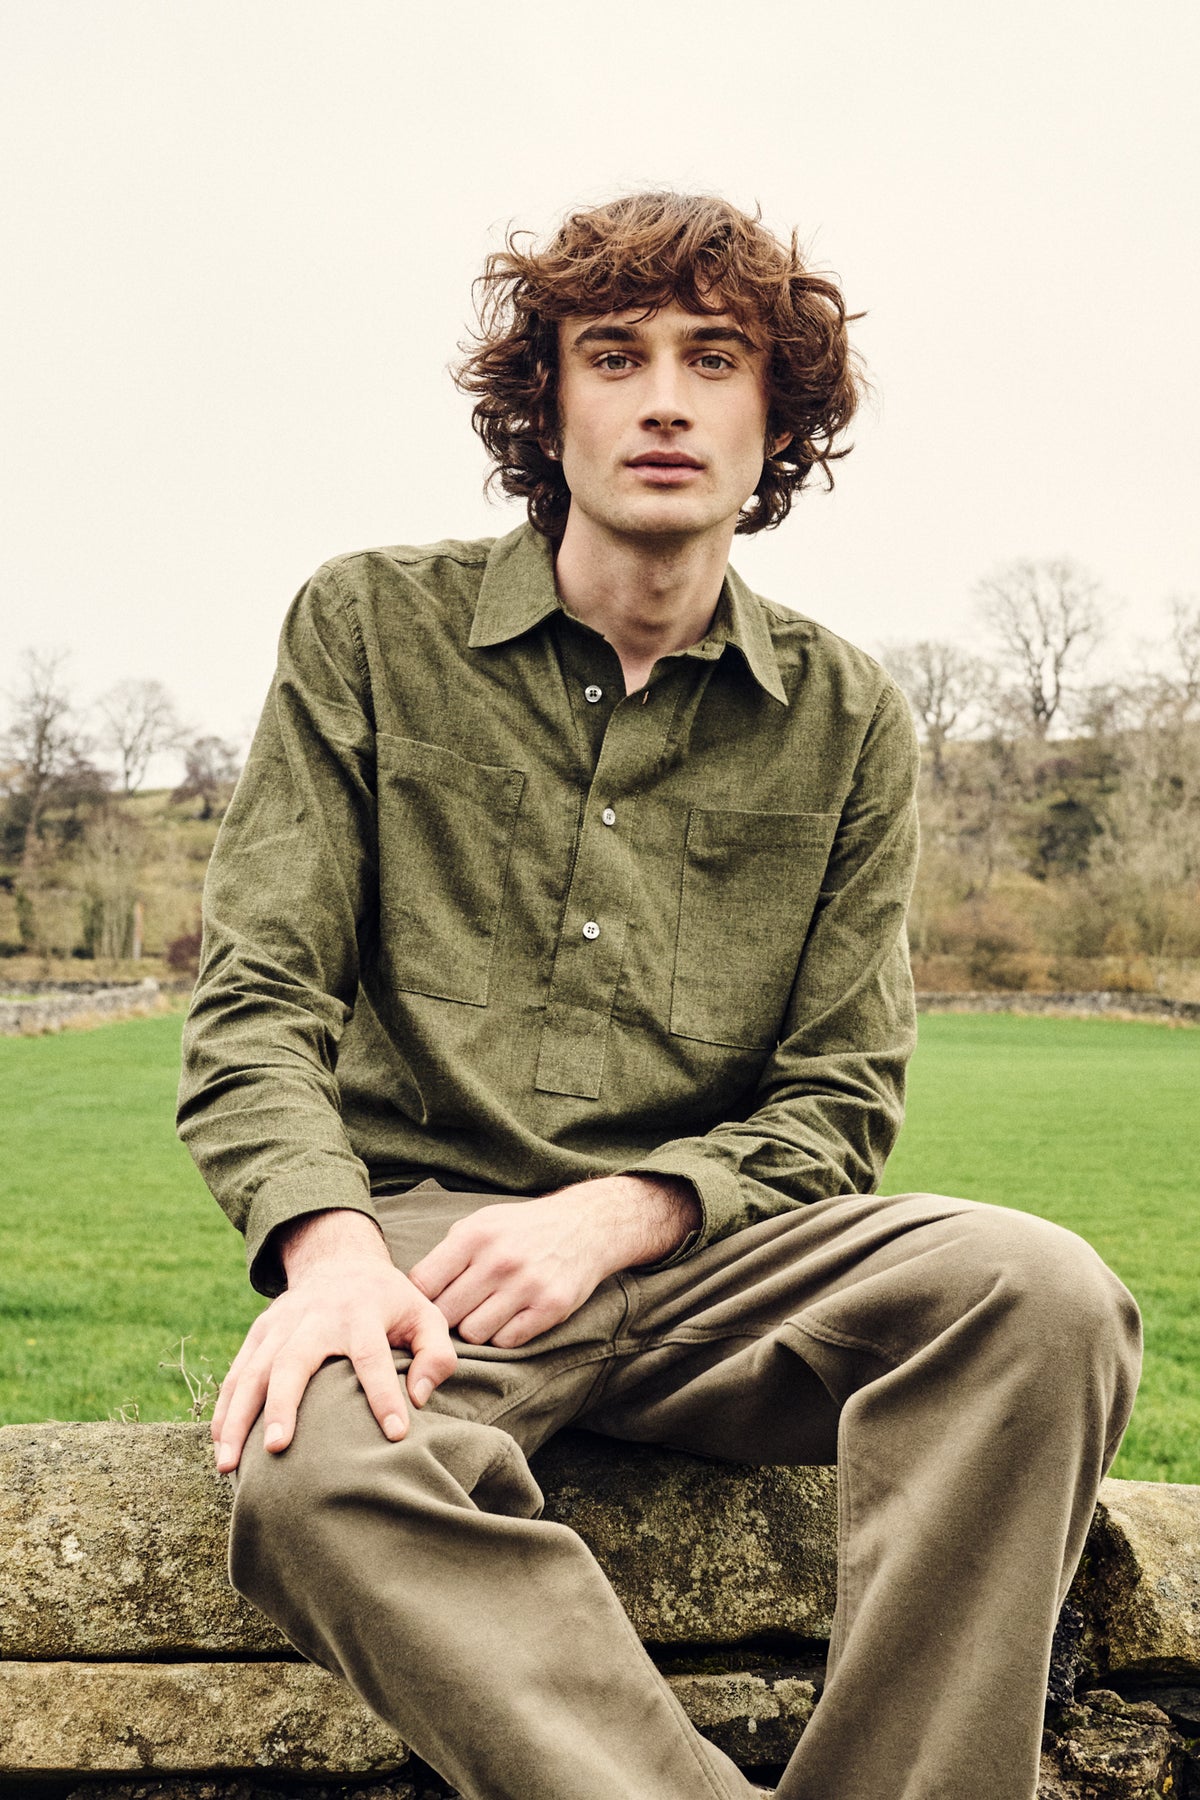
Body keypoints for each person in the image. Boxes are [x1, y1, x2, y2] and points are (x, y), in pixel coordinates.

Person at [177, 191, 1142, 1800]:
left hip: (720, 1260)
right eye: (611, 355)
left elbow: (841, 1096)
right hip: (430, 1256)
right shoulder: (369, 626)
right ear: (546, 406)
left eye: (717, 357)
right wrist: (329, 1256)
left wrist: (630, 1211)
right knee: (313, 1478)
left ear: (783, 418)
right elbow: (258, 998)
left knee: (1042, 1293)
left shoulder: (846, 715)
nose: (666, 398)